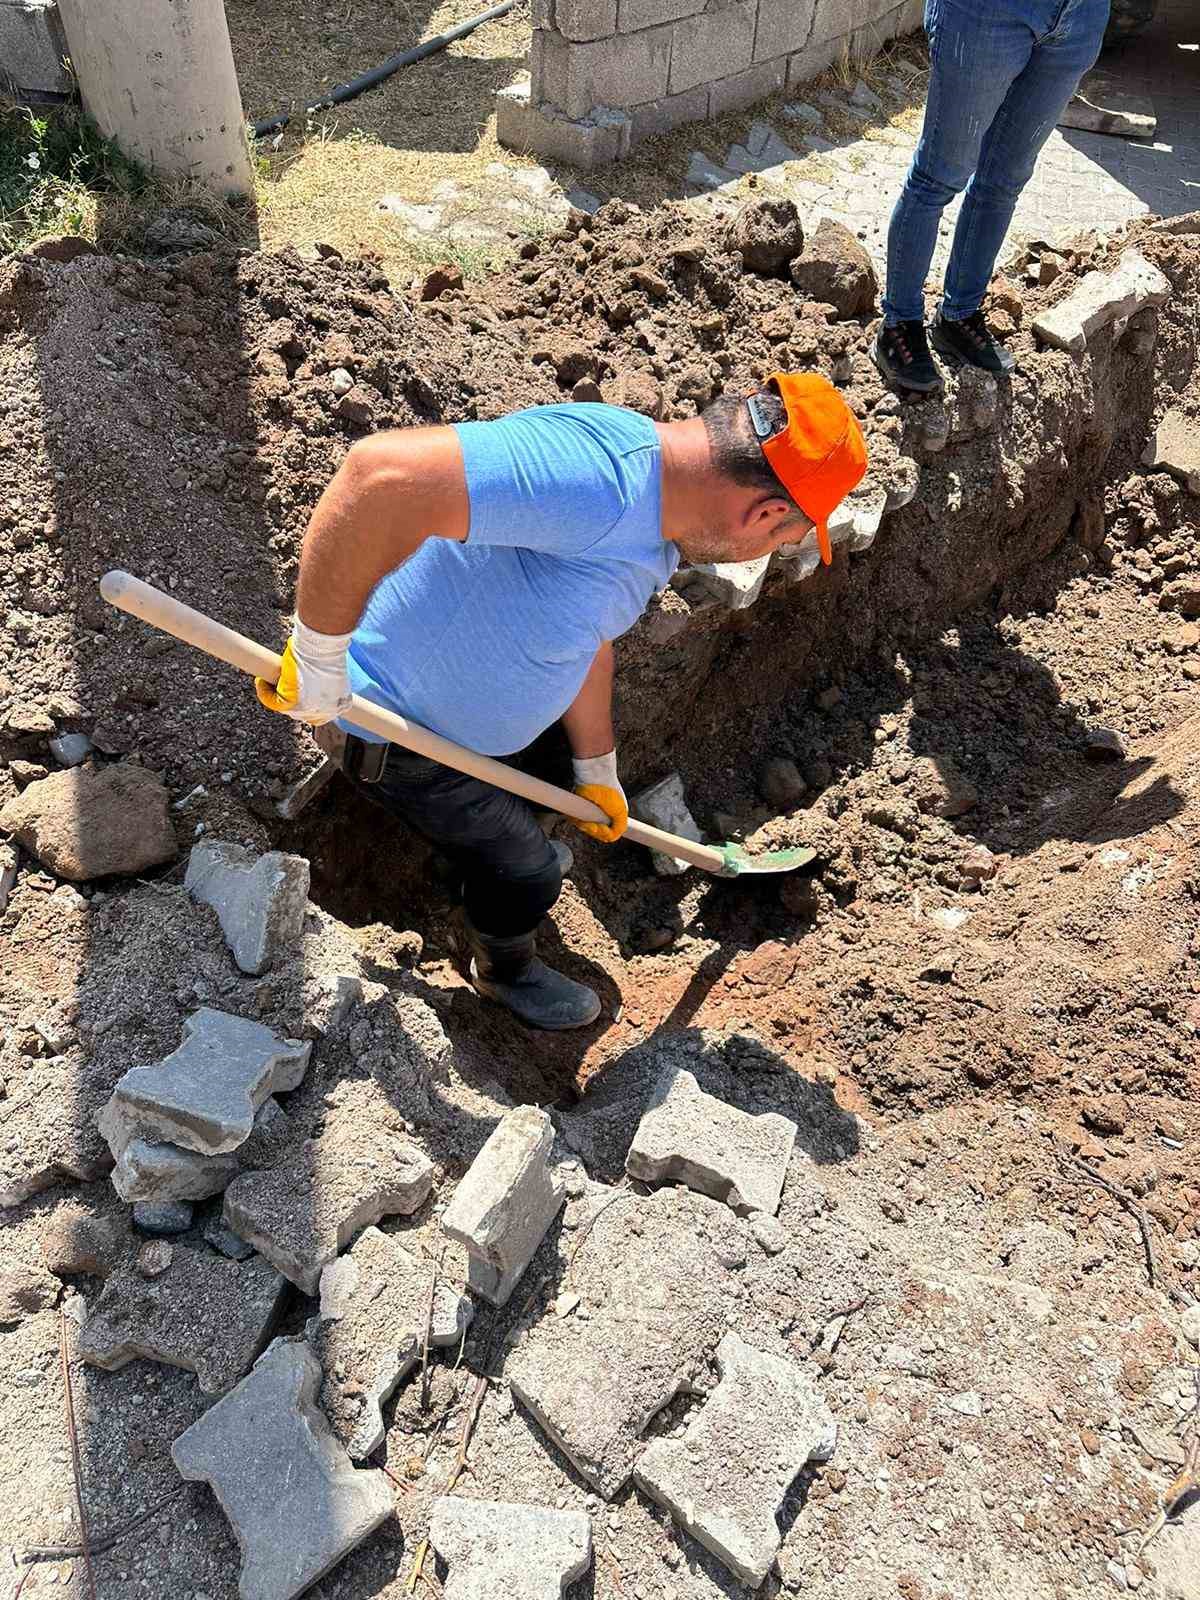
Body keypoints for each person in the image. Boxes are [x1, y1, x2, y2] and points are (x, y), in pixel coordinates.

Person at [256, 375, 866, 1030]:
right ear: (766, 513)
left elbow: (583, 640)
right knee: (528, 871)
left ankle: (491, 860)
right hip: (392, 730)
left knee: (553, 773)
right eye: (786, 539)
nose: (774, 550)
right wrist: (320, 656)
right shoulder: (598, 483)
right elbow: (378, 475)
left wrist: (598, 771)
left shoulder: (656, 521)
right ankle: (503, 968)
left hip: (468, 711)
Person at [873, 0, 1110, 392]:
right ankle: (899, 324)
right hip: (989, 11)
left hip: (1080, 15)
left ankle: (959, 316)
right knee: (939, 176)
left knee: (1003, 181)